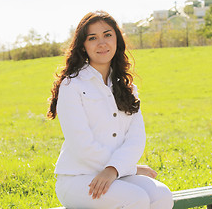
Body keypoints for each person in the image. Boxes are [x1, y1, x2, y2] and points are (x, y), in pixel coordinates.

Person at [47, 11, 173, 209]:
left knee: (161, 195)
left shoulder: (127, 87)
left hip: (115, 174)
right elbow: (81, 143)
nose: (102, 43)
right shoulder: (72, 85)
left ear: (117, 40)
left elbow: (136, 137)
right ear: (83, 46)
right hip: (77, 178)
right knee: (136, 199)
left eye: (107, 35)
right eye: (93, 38)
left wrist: (116, 169)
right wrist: (121, 168)